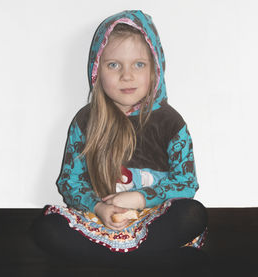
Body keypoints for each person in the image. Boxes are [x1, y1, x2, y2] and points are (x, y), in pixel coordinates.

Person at [29, 10, 209, 269]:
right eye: (114, 65)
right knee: (47, 229)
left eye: (139, 64)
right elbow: (70, 181)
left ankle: (114, 260)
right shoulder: (85, 120)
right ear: (97, 69)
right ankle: (142, 260)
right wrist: (100, 208)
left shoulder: (170, 122)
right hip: (100, 218)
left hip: (153, 219)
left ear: (155, 69)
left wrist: (137, 199)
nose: (127, 75)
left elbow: (186, 182)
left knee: (193, 214)